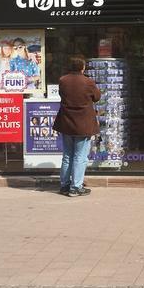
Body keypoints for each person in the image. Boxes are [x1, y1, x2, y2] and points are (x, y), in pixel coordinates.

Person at [53, 56, 101, 197]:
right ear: (82, 68)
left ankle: (64, 185)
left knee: (67, 155)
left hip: (66, 122)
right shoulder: (88, 82)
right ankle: (76, 187)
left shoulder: (63, 80)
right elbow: (97, 97)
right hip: (83, 124)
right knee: (80, 156)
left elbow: (62, 95)